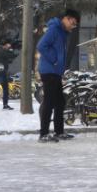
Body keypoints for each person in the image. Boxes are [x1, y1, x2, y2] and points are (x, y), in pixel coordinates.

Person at [36, 8, 80, 142]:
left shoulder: (62, 32)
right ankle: (43, 134)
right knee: (49, 102)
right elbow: (41, 45)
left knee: (60, 102)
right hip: (49, 71)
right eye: (72, 23)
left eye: (75, 25)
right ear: (66, 18)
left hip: (55, 72)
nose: (73, 26)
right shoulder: (54, 30)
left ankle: (59, 132)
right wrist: (54, 59)